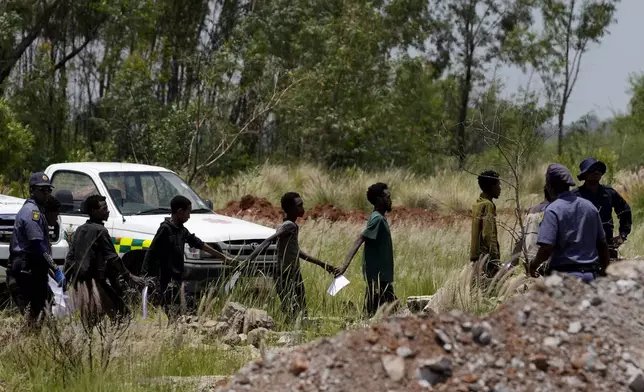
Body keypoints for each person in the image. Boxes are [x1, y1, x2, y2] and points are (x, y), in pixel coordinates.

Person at [244, 192, 339, 320]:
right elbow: (268, 240)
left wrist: (323, 265)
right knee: (294, 309)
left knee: (298, 309)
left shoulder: (291, 226)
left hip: (293, 272)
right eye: (299, 206)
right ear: (290, 209)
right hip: (286, 274)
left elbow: (296, 252)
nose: (302, 209)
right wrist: (248, 260)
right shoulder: (289, 226)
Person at [141, 195, 233, 321]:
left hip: (179, 280)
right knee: (174, 315)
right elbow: (150, 253)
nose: (189, 216)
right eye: (188, 212)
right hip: (166, 282)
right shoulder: (165, 229)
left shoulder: (182, 230)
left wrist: (223, 257)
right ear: (179, 212)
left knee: (191, 310)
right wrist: (145, 277)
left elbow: (199, 243)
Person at [64, 195, 145, 328]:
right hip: (95, 282)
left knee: (90, 320)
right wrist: (129, 276)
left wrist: (66, 281)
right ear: (93, 211)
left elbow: (70, 258)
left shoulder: (80, 230)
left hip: (80, 283)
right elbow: (113, 258)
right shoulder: (100, 230)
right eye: (104, 208)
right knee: (122, 315)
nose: (107, 211)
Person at [528, 164, 610, 283]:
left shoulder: (552, 210)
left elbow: (546, 248)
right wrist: (605, 270)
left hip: (564, 279)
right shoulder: (590, 206)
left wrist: (534, 265)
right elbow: (602, 243)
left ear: (550, 186)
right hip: (590, 276)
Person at [7, 172, 65, 328]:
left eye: (48, 190)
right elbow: (37, 246)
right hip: (26, 272)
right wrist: (55, 268)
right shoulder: (32, 213)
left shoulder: (36, 211)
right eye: (42, 190)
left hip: (33, 271)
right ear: (32, 190)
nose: (46, 194)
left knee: (42, 318)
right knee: (34, 321)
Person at [337, 183, 396, 317]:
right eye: (387, 197)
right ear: (378, 200)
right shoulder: (377, 219)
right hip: (378, 278)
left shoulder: (380, 218)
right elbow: (360, 239)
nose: (390, 200)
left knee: (376, 313)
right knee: (377, 314)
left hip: (381, 278)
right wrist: (344, 266)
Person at [573, 157, 632, 260]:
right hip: (581, 248)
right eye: (592, 169)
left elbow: (625, 211)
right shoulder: (575, 195)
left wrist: (622, 235)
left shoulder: (609, 193)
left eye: (599, 169)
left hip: (607, 246)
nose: (596, 172)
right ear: (584, 174)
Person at [508, 186, 555, 272]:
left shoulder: (531, 210)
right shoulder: (554, 211)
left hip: (528, 261)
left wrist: (513, 263)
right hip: (544, 262)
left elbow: (519, 238)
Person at [470, 170, 502, 277]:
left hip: (476, 260)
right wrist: (495, 259)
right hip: (486, 260)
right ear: (491, 187)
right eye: (498, 185)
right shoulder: (488, 205)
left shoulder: (477, 203)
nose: (500, 188)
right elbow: (488, 234)